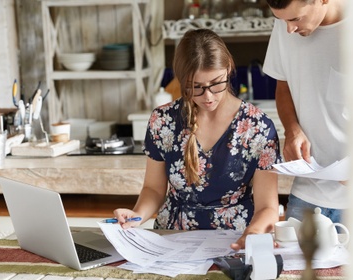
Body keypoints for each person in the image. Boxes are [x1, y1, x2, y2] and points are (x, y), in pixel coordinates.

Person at [114, 28, 282, 250]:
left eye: (216, 83)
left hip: (235, 239)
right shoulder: (162, 120)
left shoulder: (257, 126)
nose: (208, 96)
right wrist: (136, 216)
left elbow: (268, 207)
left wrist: (254, 232)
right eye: (196, 87)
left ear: (229, 69)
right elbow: (153, 190)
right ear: (182, 81)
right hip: (171, 237)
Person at [263, 0, 347, 223]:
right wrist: (292, 130)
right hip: (306, 195)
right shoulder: (284, 24)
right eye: (282, 20)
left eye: (295, 19)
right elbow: (283, 86)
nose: (289, 29)